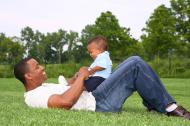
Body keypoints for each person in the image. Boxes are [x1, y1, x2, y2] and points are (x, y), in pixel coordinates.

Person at [14, 56, 190, 120]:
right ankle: (171, 108)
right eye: (37, 67)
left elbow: (67, 89)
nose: (42, 68)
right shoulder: (33, 96)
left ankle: (154, 105)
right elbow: (65, 102)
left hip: (94, 96)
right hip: (99, 105)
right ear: (28, 76)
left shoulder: (44, 86)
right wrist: (82, 77)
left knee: (131, 60)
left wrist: (76, 78)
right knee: (135, 64)